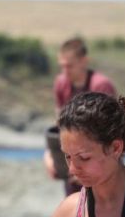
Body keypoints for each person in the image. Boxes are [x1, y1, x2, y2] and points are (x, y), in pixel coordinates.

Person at [44, 38, 117, 196]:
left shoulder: (101, 86)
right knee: (75, 210)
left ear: (84, 61)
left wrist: (88, 170)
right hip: (73, 170)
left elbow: (110, 136)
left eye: (69, 66)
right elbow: (61, 129)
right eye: (62, 66)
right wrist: (50, 155)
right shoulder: (61, 84)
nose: (65, 71)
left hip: (103, 172)